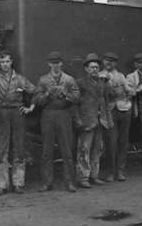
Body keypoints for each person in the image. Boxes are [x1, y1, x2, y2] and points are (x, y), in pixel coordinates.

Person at [0, 49, 36, 195]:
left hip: (18, 113)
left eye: (7, 61)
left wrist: (30, 108)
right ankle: (1, 185)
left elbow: (35, 91)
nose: (4, 64)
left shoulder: (20, 79)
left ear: (11, 62)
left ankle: (18, 183)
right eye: (2, 62)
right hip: (2, 112)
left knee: (18, 148)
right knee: (1, 150)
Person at [33, 51, 80, 192]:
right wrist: (47, 93)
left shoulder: (69, 80)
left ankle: (69, 182)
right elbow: (37, 100)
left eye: (58, 63)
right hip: (48, 114)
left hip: (63, 114)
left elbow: (77, 98)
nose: (55, 66)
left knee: (67, 150)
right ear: (49, 64)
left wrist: (66, 93)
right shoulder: (43, 80)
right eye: (52, 63)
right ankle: (47, 182)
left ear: (61, 63)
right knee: (47, 150)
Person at [75, 53, 113, 188]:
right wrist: (78, 120)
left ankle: (94, 176)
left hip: (100, 120)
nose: (95, 69)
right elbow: (75, 103)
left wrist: (108, 119)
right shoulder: (80, 82)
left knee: (98, 149)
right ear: (86, 69)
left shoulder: (102, 84)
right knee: (84, 149)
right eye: (92, 67)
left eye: (97, 67)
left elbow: (106, 103)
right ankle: (82, 177)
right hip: (87, 121)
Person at [100, 51, 135, 182]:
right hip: (109, 111)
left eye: (112, 61)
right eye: (107, 60)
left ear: (116, 63)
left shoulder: (121, 76)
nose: (109, 63)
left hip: (124, 110)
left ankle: (120, 171)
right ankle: (110, 172)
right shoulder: (99, 75)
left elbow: (130, 91)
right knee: (111, 143)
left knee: (123, 142)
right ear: (103, 61)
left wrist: (126, 97)